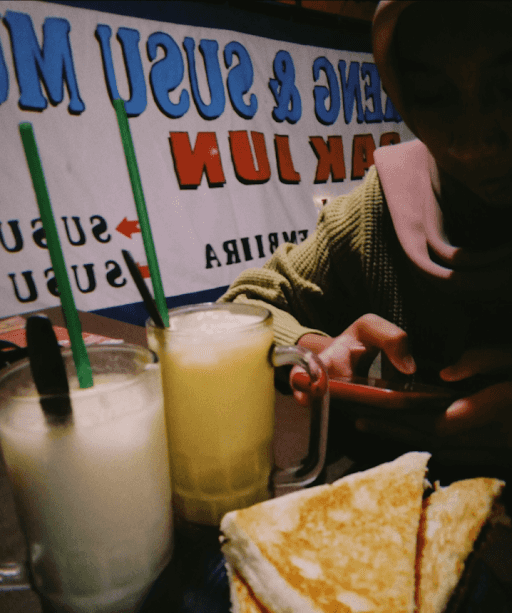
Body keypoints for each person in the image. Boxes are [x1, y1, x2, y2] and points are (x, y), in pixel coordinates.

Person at [220, 0, 512, 471]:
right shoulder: (382, 206)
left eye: (508, 86)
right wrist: (320, 352)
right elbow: (241, 307)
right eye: (435, 94)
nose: (474, 142)